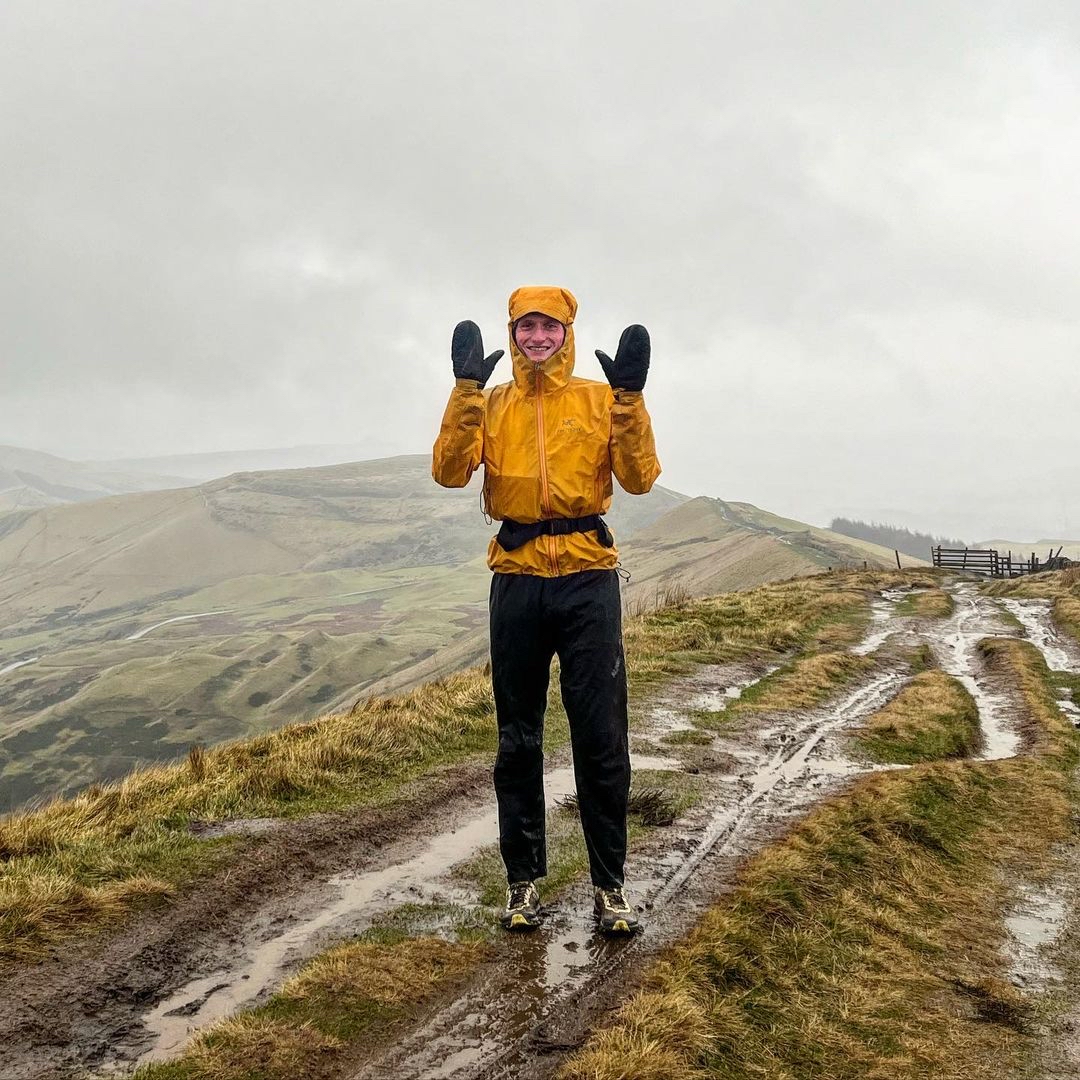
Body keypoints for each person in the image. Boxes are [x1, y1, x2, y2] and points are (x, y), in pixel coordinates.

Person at [432, 285, 660, 934]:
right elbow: (450, 473)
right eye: (526, 326)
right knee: (518, 740)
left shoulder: (597, 399)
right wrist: (464, 392)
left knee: (600, 738)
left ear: (567, 331)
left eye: (548, 326)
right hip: (518, 581)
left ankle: (609, 887)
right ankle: (522, 885)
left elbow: (640, 478)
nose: (537, 336)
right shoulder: (492, 402)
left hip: (589, 580)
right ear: (512, 333)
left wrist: (631, 402)